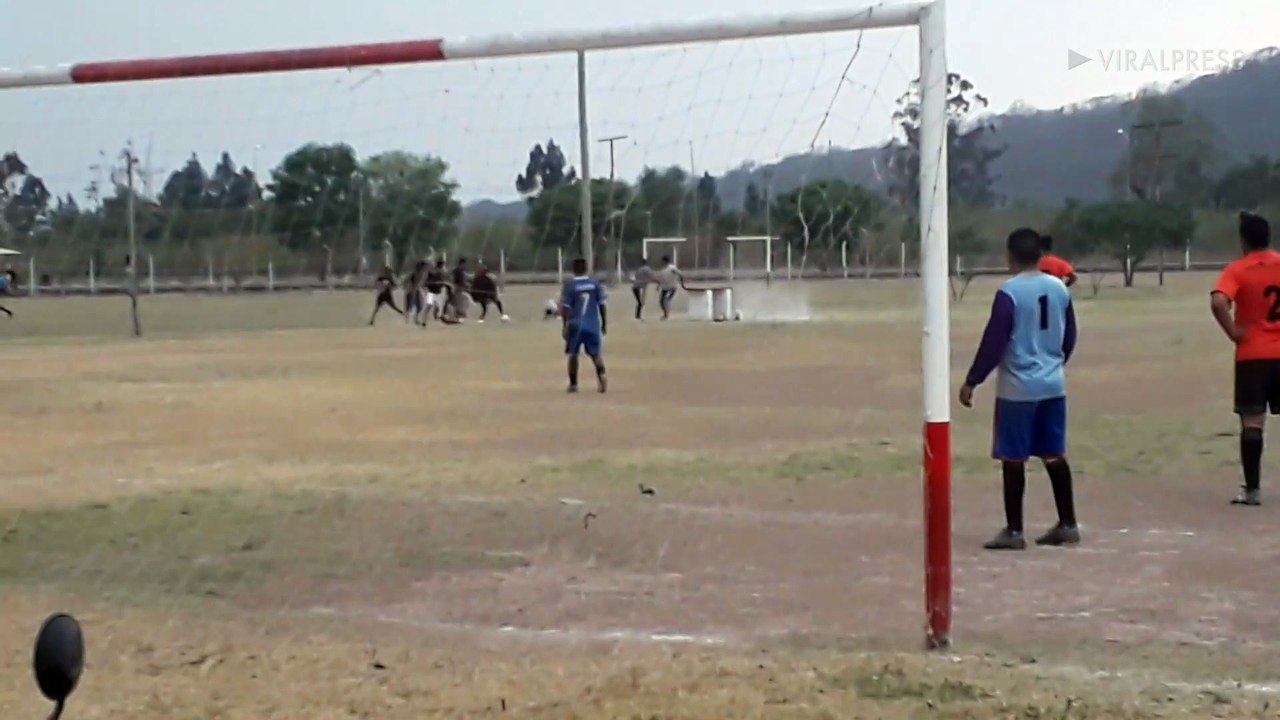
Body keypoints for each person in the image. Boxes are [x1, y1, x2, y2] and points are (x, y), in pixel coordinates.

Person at [960, 227, 1079, 550]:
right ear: (1042, 255)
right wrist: (1054, 364)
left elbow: (994, 342)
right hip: (1053, 386)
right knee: (1054, 453)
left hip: (1017, 390)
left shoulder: (1009, 293)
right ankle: (1068, 523)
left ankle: (1014, 530)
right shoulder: (1059, 288)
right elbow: (1069, 337)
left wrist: (973, 380)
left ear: (1010, 257)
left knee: (1013, 457)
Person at [1211, 211, 1280, 506]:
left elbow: (1218, 301)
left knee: (1252, 422)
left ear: (1243, 240)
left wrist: (1233, 332)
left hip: (1253, 355)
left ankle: (1252, 490)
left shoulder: (1238, 270)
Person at [560, 257, 607, 394]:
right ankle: (602, 375)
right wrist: (604, 323)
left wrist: (565, 324)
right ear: (586, 268)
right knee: (596, 354)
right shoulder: (594, 283)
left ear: (573, 269)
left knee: (573, 354)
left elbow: (566, 307)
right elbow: (602, 304)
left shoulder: (570, 285)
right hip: (592, 323)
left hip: (576, 324)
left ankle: (573, 384)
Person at [654, 256, 683, 321]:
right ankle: (665, 314)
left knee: (666, 300)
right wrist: (658, 286)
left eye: (662, 261)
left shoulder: (671, 268)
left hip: (672, 287)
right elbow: (661, 279)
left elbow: (679, 273)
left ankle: (667, 315)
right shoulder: (662, 270)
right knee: (661, 302)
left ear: (665, 261)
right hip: (665, 288)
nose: (661, 263)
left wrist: (681, 279)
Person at [404, 260, 429, 325]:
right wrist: (408, 287)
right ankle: (407, 320)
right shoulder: (415, 273)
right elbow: (406, 280)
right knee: (410, 305)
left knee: (420, 306)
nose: (426, 268)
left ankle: (415, 319)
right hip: (412, 290)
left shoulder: (424, 274)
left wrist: (423, 288)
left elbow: (422, 283)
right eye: (425, 266)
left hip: (418, 290)